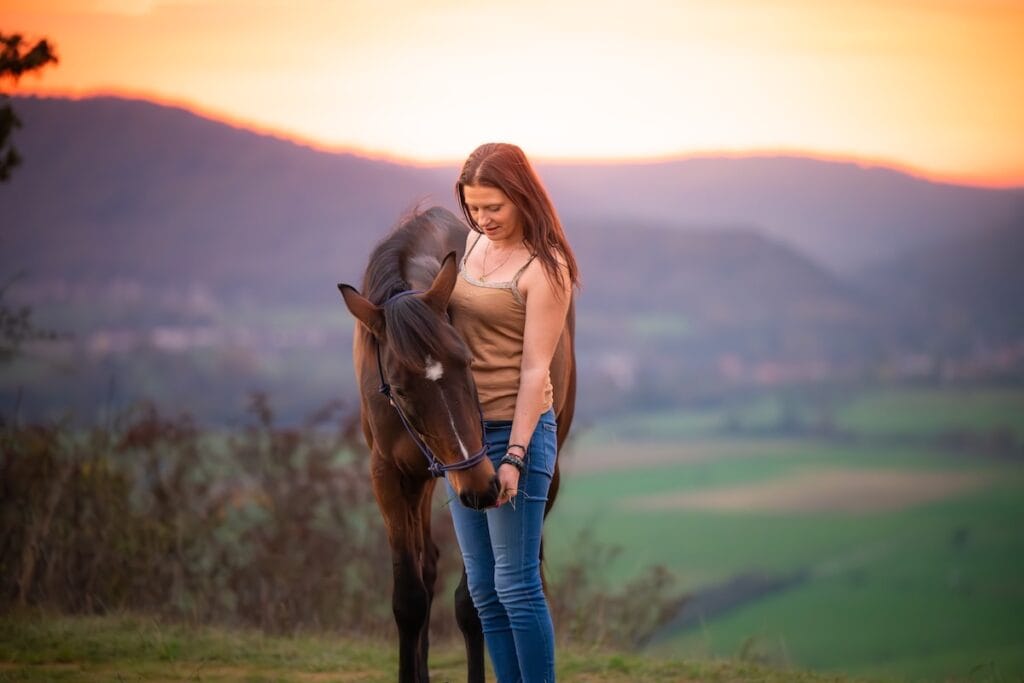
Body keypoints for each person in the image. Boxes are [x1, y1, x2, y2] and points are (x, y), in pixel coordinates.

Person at [446, 142, 580, 683]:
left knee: (517, 585)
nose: (483, 218)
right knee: (482, 587)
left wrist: (516, 458)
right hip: (466, 439)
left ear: (522, 197)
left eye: (494, 207)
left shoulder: (545, 269)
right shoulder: (474, 245)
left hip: (515, 433)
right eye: (474, 207)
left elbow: (533, 372)